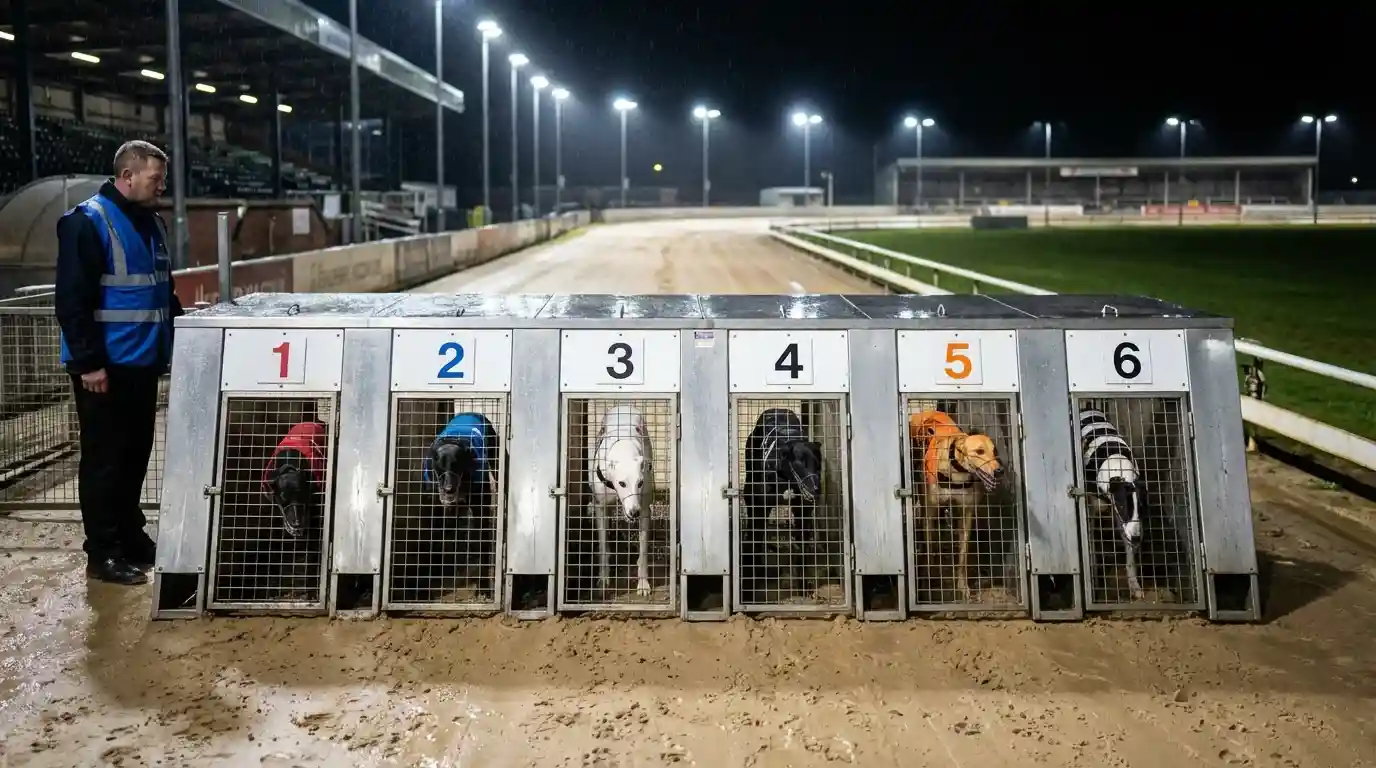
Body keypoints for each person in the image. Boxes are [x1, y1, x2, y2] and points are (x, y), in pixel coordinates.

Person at [55, 140, 184, 585]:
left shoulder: (151, 224)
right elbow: (72, 301)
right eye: (156, 178)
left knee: (134, 456)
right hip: (104, 369)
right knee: (104, 460)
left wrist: (184, 337)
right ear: (128, 176)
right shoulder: (86, 222)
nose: (162, 186)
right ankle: (103, 551)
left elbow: (161, 293)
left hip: (143, 362)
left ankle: (131, 536)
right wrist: (89, 363)